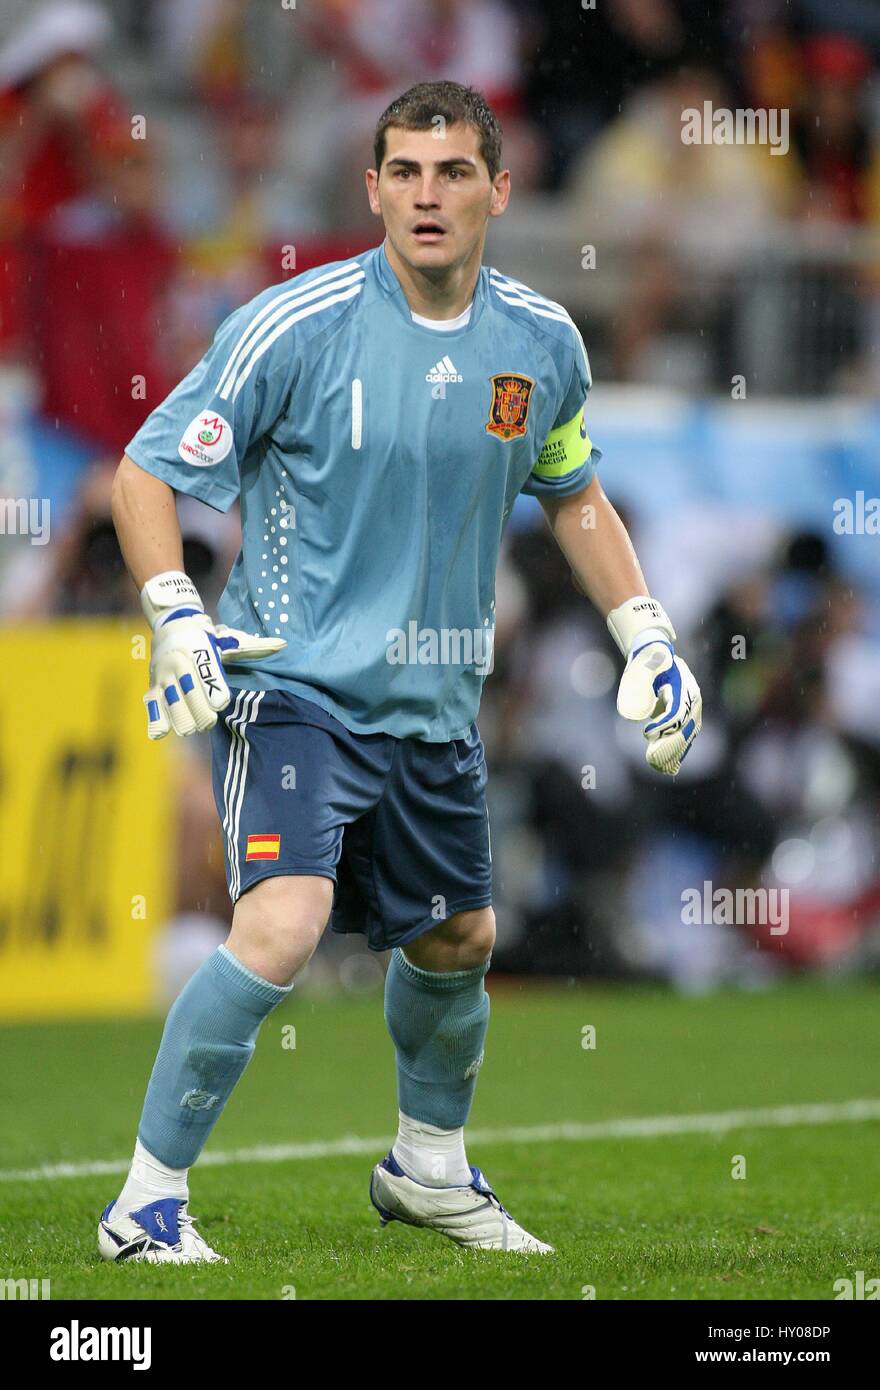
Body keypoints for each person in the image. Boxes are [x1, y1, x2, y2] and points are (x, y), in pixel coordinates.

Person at [104, 79, 702, 1263]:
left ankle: (427, 1170)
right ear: (371, 188)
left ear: (498, 189)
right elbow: (144, 471)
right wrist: (175, 613)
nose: (428, 196)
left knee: (458, 940)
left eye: (454, 173)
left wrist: (647, 632)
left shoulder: (540, 344)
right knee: (285, 923)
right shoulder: (295, 326)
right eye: (406, 173)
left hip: (432, 712)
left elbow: (574, 493)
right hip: (294, 689)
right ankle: (144, 1203)